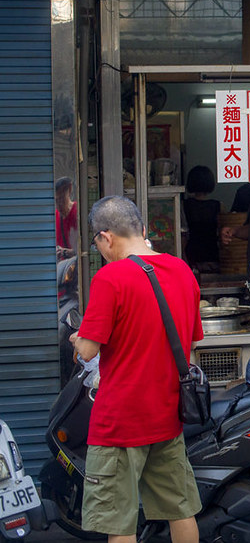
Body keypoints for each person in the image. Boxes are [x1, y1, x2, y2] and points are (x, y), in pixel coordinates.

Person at [70, 195, 203, 542]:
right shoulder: (182, 271)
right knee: (181, 511)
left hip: (120, 423)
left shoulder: (110, 278)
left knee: (119, 525)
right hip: (168, 416)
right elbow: (189, 345)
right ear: (143, 230)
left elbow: (87, 350)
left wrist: (78, 340)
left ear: (105, 238)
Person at [182, 165, 220, 272]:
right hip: (212, 255)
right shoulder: (217, 206)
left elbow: (183, 237)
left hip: (191, 255)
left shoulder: (184, 205)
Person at [55, 176, 78, 260]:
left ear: (69, 191)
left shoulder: (77, 212)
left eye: (61, 199)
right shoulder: (55, 216)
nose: (59, 204)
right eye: (56, 201)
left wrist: (67, 252)